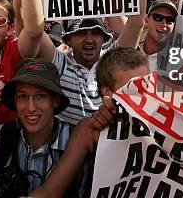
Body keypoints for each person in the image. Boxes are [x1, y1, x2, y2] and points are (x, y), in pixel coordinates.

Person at [29, 48, 150, 198]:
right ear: (107, 92)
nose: (145, 94)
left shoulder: (170, 125)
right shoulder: (91, 129)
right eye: (133, 89)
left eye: (148, 84)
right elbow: (51, 191)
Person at [0, 60, 71, 193]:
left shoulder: (75, 141)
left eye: (41, 96)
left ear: (55, 100)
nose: (31, 108)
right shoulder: (0, 136)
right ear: (15, 100)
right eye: (23, 96)